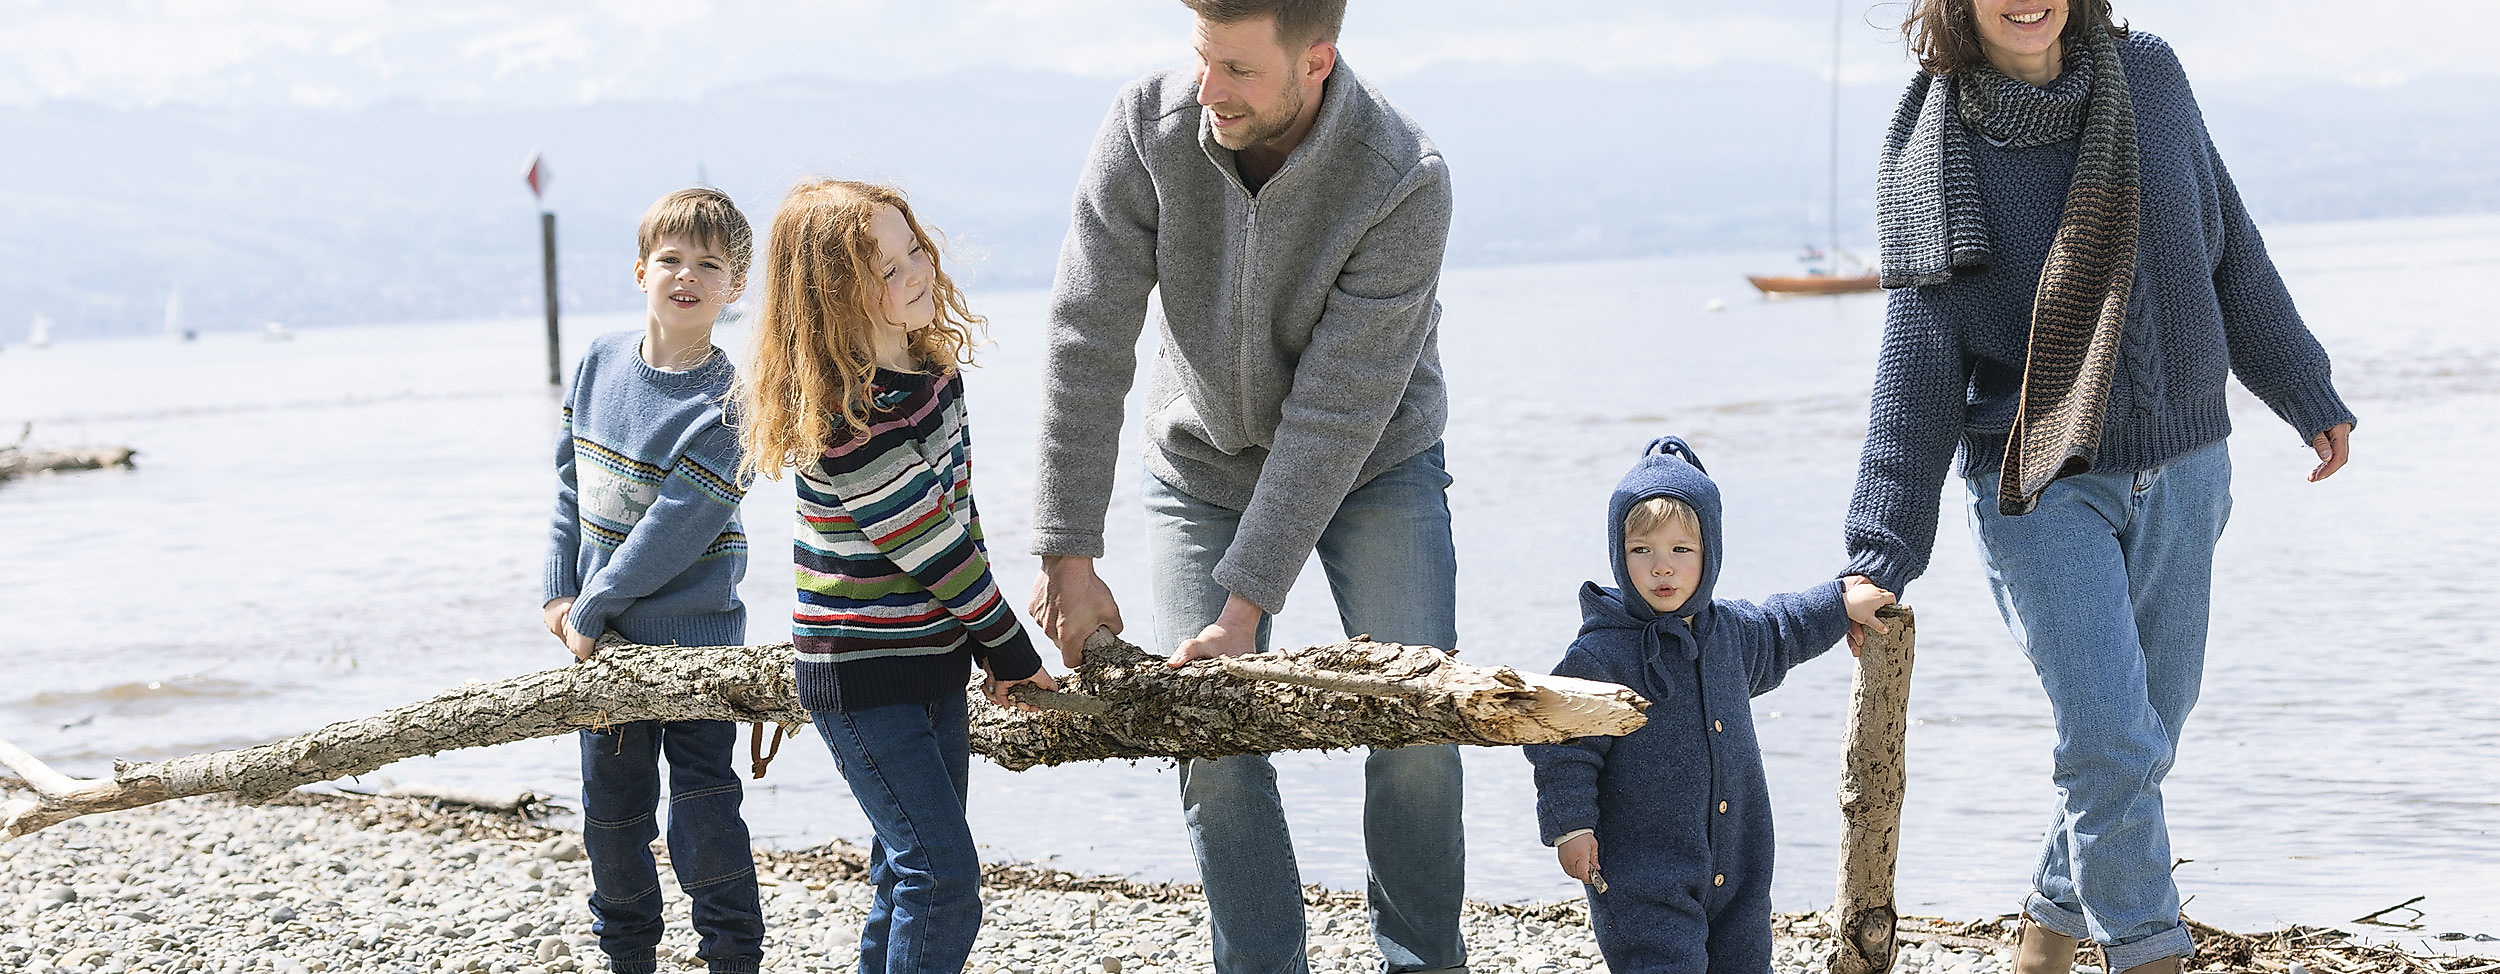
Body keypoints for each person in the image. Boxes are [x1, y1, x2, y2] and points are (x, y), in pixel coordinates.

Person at [1851, 3, 2358, 972]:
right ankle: (2150, 952)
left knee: (2143, 733)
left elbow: (2227, 241)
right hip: (2037, 483)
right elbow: (1916, 363)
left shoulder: (2151, 79)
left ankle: (2042, 940)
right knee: (2109, 737)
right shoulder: (1938, 148)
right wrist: (1878, 552)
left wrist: (2299, 384)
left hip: (2187, 462)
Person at [1025, 0, 1466, 970]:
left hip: (1375, 460)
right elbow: (1085, 332)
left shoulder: (1403, 177)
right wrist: (1067, 548)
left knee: (1418, 727)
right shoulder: (1149, 126)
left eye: (1237, 71)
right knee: (1207, 736)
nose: (1207, 91)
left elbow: (1333, 417)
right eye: (1201, 59)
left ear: (1317, 62)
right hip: (1200, 459)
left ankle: (1421, 957)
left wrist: (1246, 603)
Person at [732, 178, 1058, 974]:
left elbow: (961, 518)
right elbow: (930, 548)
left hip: (935, 662)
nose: (917, 269)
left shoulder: (933, 371)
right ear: (833, 296)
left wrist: (982, 649)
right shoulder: (842, 414)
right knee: (942, 880)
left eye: (913, 247)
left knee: (900, 871)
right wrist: (1012, 651)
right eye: (888, 266)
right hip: (862, 673)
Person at [1525, 437, 1894, 974]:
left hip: (1740, 862)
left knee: (1744, 962)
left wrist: (1840, 603)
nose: (1661, 569)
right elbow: (1561, 743)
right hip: (1643, 871)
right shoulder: (1602, 652)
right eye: (1641, 551)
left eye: (1681, 551)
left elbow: (1784, 625)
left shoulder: (1731, 633)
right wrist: (1571, 826)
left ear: (1710, 553)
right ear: (1618, 553)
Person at [541, 187, 766, 974]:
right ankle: (627, 957)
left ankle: (733, 956)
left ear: (734, 287)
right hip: (601, 646)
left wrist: (593, 605)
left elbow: (675, 528)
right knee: (611, 815)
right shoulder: (600, 361)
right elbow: (570, 483)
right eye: (671, 259)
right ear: (642, 271)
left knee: (703, 813)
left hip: (695, 641)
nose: (687, 275)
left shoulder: (736, 403)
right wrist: (558, 593)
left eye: (710, 264)